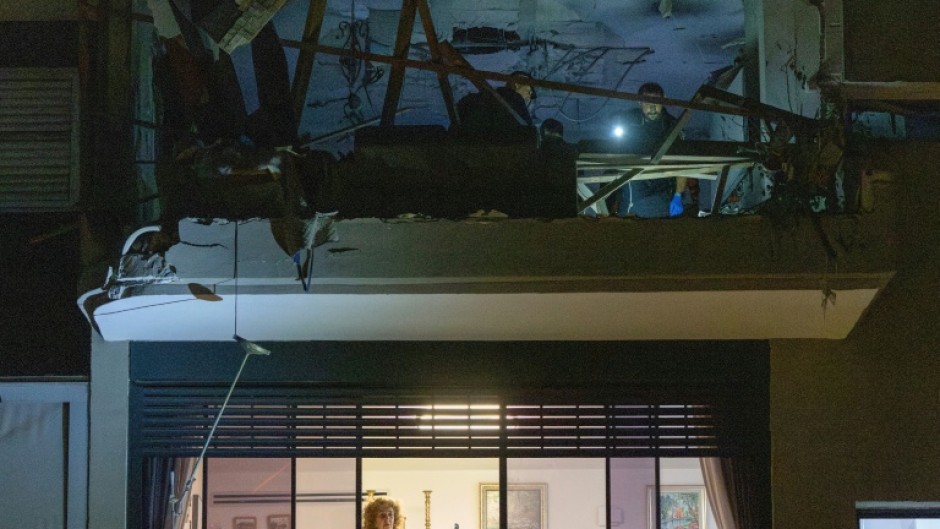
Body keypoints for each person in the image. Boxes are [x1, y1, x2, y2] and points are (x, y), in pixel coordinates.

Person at [610, 82, 687, 218]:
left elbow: (683, 163)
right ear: (639, 102)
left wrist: (678, 194)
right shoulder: (629, 121)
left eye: (656, 102)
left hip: (662, 187)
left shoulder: (672, 126)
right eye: (647, 102)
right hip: (633, 182)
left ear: (663, 100)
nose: (652, 108)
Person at [455, 71, 536, 136]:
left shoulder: (476, 99)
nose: (529, 96)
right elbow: (529, 132)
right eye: (529, 91)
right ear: (517, 84)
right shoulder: (515, 99)